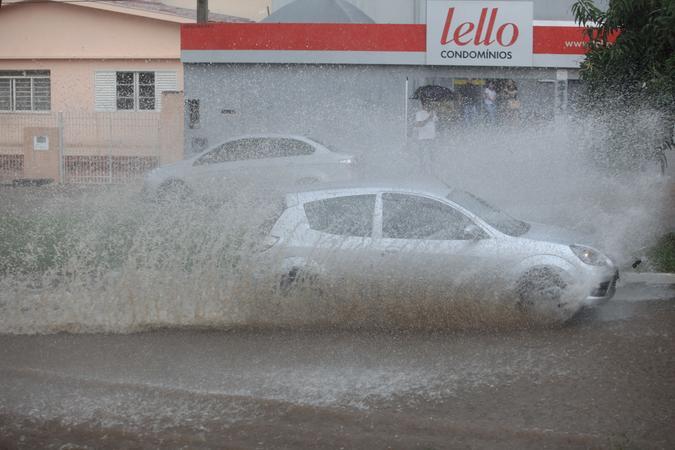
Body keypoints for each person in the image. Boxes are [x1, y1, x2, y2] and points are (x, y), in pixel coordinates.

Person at [413, 97, 438, 172]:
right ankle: (422, 171)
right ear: (423, 105)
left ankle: (432, 171)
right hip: (423, 138)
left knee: (432, 156)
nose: (429, 105)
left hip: (432, 138)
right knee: (422, 156)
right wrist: (428, 118)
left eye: (430, 104)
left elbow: (435, 122)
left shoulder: (432, 113)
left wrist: (433, 115)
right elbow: (418, 125)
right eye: (427, 104)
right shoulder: (419, 113)